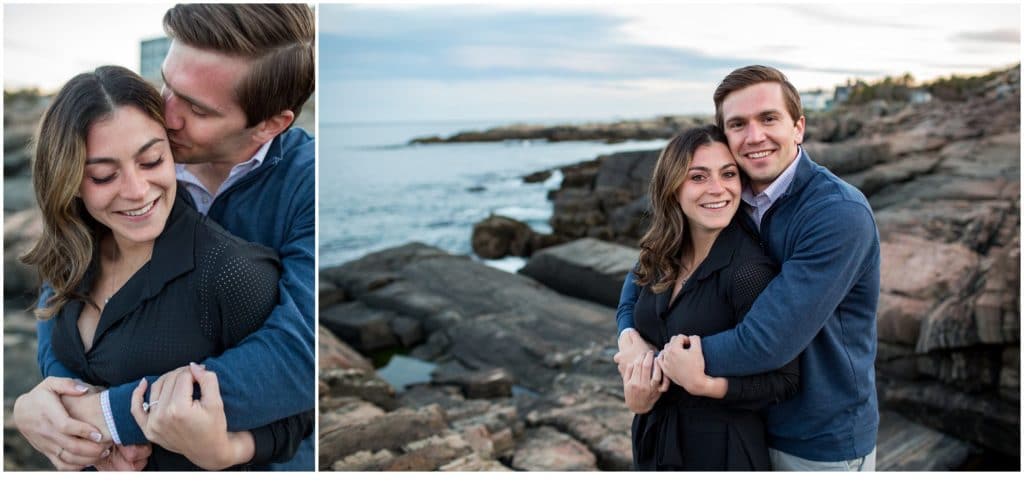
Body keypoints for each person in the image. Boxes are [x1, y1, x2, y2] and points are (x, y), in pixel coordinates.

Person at [16, 4, 316, 471]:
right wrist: (58, 411)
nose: (167, 114)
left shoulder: (309, 186)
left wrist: (111, 419)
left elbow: (301, 355)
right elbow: (65, 282)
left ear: (270, 124)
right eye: (167, 85)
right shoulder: (140, 153)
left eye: (195, 107)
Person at [616, 65, 880, 471]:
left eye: (769, 118)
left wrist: (660, 363)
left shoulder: (836, 214)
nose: (754, 136)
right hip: (745, 424)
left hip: (816, 439)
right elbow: (647, 268)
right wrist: (628, 336)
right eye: (738, 124)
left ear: (798, 127)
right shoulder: (731, 198)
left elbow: (766, 340)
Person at [619, 125, 799, 470]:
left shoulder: (749, 271)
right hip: (653, 440)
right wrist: (635, 374)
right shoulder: (660, 253)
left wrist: (706, 385)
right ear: (672, 188)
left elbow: (785, 380)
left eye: (728, 174)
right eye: (698, 177)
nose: (718, 189)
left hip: (720, 453)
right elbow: (631, 308)